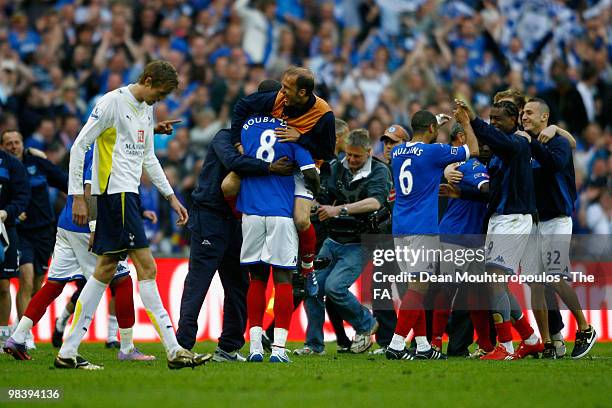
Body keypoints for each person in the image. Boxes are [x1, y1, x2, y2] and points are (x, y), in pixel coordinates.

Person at [56, 60, 210, 370]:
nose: (159, 101)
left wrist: (171, 197)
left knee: (104, 269)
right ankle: (174, 349)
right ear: (148, 79)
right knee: (147, 267)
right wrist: (78, 198)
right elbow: (79, 146)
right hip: (115, 195)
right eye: (160, 93)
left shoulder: (146, 109)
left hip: (129, 196)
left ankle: (68, 351)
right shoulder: (112, 102)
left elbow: (149, 158)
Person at [177, 80, 295, 362]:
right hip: (211, 215)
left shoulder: (268, 138)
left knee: (239, 284)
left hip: (240, 218)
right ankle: (182, 344)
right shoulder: (225, 136)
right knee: (199, 280)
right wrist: (267, 166)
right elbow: (232, 162)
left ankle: (228, 346)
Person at [3, 144, 154, 362]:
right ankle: (127, 348)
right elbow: (89, 188)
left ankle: (17, 337)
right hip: (86, 225)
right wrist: (94, 227)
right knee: (121, 281)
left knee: (54, 285)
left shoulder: (90, 142)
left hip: (66, 224)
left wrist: (153, 131)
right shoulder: (103, 147)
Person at [225, 67, 335, 280]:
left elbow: (327, 152)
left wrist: (300, 138)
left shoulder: (324, 114)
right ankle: (244, 218)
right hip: (275, 161)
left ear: (302, 93)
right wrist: (237, 141)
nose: (281, 92)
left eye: (287, 88)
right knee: (228, 185)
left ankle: (307, 265)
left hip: (305, 164)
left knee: (302, 220)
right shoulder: (276, 99)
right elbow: (241, 107)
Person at [385, 109, 478, 361]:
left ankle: (424, 346)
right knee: (419, 286)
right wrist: (467, 124)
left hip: (400, 227)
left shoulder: (397, 152)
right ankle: (395, 344)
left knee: (415, 289)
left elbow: (418, 143)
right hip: (422, 228)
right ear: (430, 130)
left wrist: (434, 123)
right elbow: (473, 150)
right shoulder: (434, 152)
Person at [458, 99, 542, 360]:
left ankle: (505, 345)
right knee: (498, 283)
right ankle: (529, 338)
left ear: (514, 119)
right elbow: (492, 190)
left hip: (514, 219)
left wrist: (472, 120)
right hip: (500, 218)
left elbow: (491, 136)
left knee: (495, 280)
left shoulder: (517, 143)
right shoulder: (499, 152)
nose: (494, 123)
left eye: (499, 119)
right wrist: (461, 189)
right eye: (491, 118)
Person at [295, 129, 390, 355]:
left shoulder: (380, 171)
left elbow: (375, 203)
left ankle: (366, 324)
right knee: (312, 288)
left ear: (368, 152)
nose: (351, 160)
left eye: (356, 156)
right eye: (348, 155)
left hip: (360, 241)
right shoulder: (337, 167)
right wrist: (312, 204)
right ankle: (314, 345)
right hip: (333, 238)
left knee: (335, 287)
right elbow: (323, 196)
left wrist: (340, 209)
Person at [518, 98, 596, 359]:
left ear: (544, 117)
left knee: (555, 277)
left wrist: (548, 135)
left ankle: (585, 328)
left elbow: (553, 165)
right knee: (535, 285)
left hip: (557, 221)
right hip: (533, 223)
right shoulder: (524, 144)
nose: (524, 116)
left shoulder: (558, 143)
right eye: (522, 113)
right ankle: (548, 342)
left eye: (529, 113)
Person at [239, 114, 320, 363]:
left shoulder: (246, 127)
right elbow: (311, 174)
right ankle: (278, 350)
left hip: (250, 213)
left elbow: (239, 156)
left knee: (257, 279)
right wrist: (314, 191)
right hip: (280, 214)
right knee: (283, 279)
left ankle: (254, 347)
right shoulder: (291, 132)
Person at [1, 129, 68, 350]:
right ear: (3, 146)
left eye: (17, 142)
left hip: (45, 231)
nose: (13, 146)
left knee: (37, 285)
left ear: (23, 143)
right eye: (8, 143)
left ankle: (23, 328)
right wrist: (13, 212)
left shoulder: (37, 163)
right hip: (20, 232)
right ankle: (23, 334)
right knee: (26, 280)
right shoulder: (6, 170)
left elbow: (63, 181)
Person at [436, 123, 492, 358]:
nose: (488, 145)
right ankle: (434, 343)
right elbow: (488, 190)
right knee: (447, 291)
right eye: (483, 139)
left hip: (472, 237)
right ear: (463, 137)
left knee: (476, 294)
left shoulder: (461, 165)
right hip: (457, 237)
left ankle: (486, 345)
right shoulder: (472, 164)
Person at [0, 146, 30, 347]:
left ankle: (3, 335)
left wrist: (7, 212)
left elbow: (22, 197)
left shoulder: (12, 165)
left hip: (4, 230)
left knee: (3, 286)